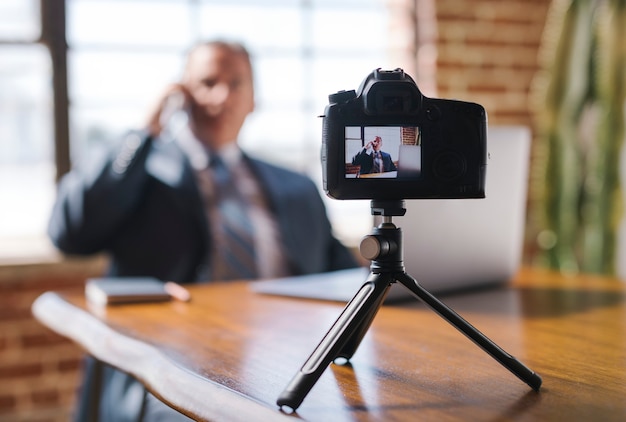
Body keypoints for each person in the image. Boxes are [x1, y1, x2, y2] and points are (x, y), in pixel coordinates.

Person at [48, 40, 358, 421]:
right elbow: (69, 233)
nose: (222, 96)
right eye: (207, 82)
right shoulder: (141, 177)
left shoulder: (296, 186)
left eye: (237, 84)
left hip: (291, 360)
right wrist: (147, 128)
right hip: (175, 366)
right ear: (181, 94)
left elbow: (342, 277)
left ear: (254, 98)